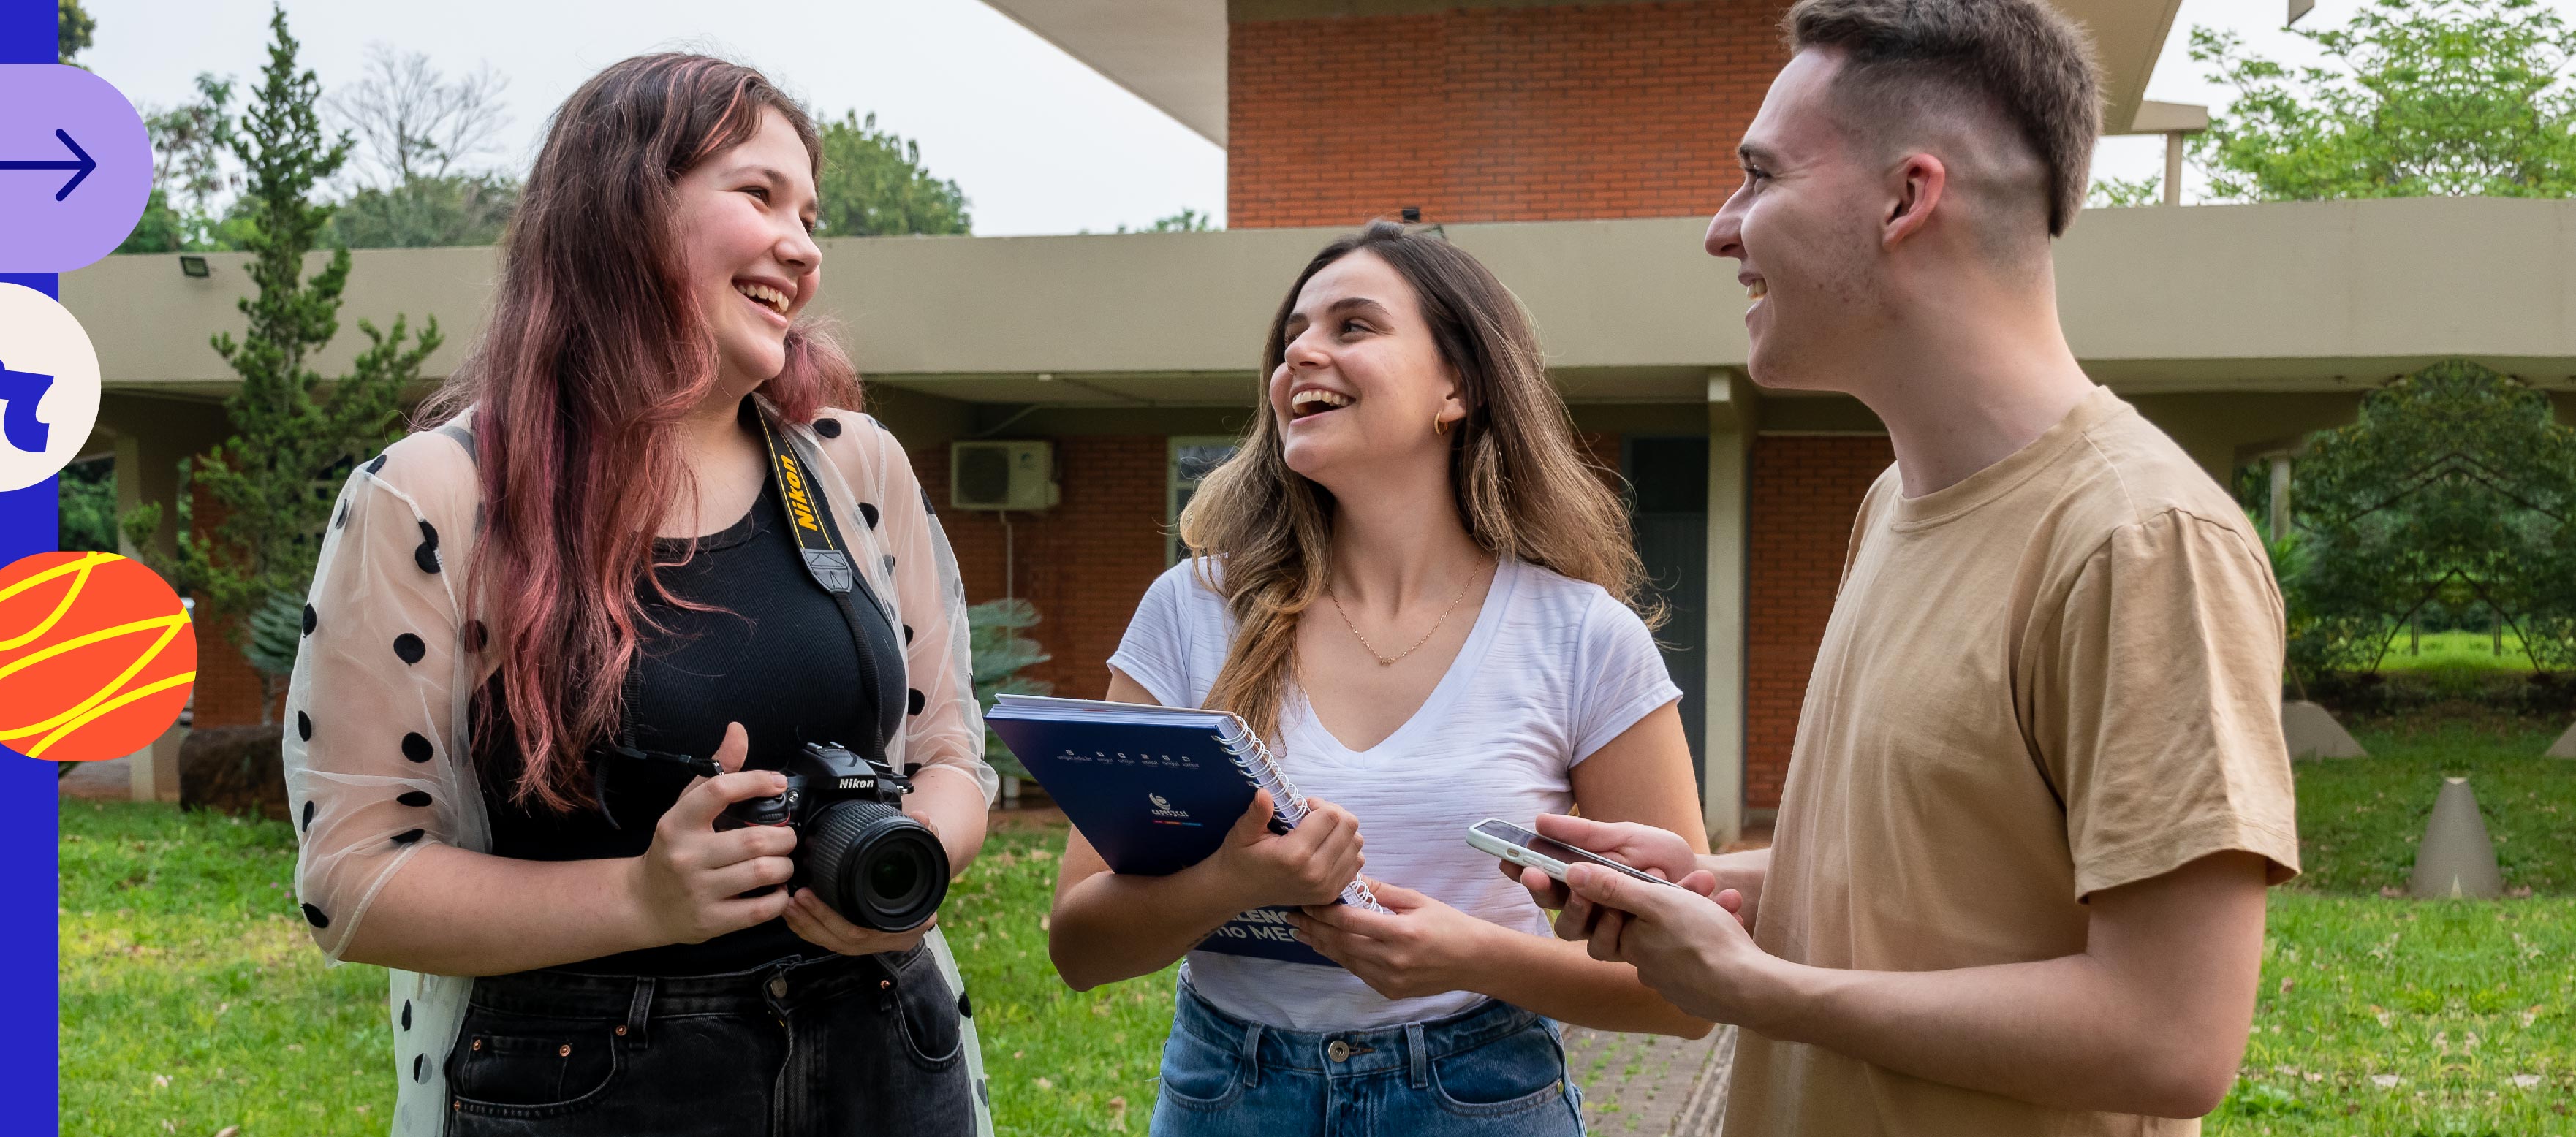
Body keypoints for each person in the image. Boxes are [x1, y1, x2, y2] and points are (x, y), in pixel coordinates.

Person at [1523, 1, 2300, 1133]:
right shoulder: (1891, 502)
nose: (1719, 231)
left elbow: (2167, 1039)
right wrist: (1710, 882)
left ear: (1905, 199)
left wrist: (1756, 990)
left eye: (1758, 176)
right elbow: (1928, 882)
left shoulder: (2140, 542)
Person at [275, 53, 996, 1137]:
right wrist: (640, 898)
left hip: (887, 1048)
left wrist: (910, 862)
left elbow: (949, 756)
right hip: (585, 1078)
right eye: (758, 195)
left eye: (809, 216)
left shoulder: (853, 467)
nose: (803, 248)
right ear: (622, 211)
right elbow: (352, 879)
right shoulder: (434, 496)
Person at [1050, 220, 1715, 1137]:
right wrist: (1228, 882)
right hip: (1227, 1100)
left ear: (1457, 387)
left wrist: (1472, 955)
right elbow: (1077, 945)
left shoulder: (1583, 636)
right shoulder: (1190, 609)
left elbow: (1685, 990)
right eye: (1292, 336)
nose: (1299, 355)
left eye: (1352, 325)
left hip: (1478, 1102)